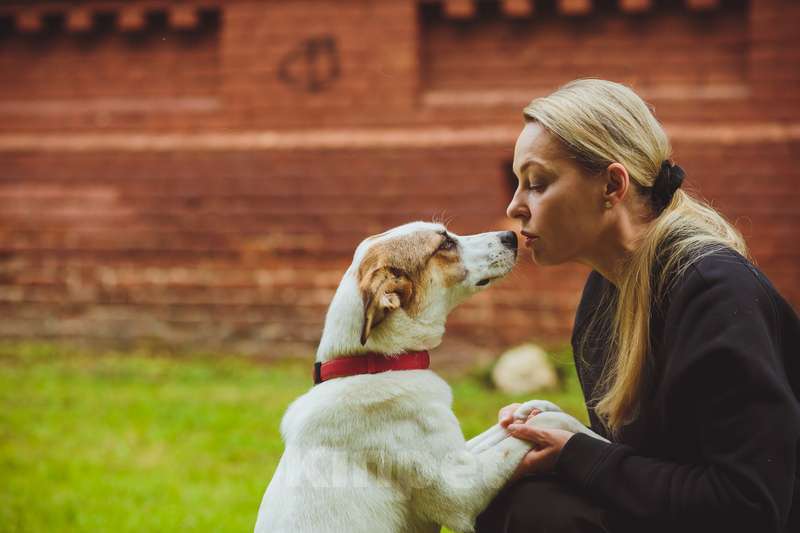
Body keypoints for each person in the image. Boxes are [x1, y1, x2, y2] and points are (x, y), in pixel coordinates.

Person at [475, 79, 800, 533]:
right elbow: (639, 472)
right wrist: (562, 436)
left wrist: (578, 454)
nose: (515, 206)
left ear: (612, 184)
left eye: (537, 184)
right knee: (508, 493)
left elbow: (749, 505)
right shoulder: (604, 294)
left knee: (534, 514)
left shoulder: (715, 293)